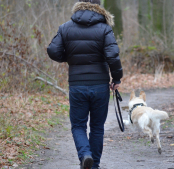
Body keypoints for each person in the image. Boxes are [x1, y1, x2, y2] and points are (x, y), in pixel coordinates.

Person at [47, 0, 123, 168]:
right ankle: (93, 165)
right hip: (100, 85)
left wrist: (70, 58)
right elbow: (113, 55)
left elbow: (53, 50)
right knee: (97, 127)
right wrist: (116, 78)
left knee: (78, 125)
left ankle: (85, 155)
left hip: (77, 84)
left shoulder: (66, 27)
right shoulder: (104, 28)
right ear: (99, 6)